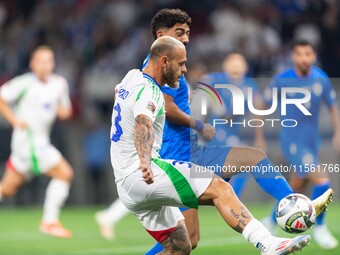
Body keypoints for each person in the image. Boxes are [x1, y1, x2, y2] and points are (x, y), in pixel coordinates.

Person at [95, 10, 333, 251]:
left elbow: (131, 96)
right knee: (223, 185)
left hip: (170, 160)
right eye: (180, 33)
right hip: (170, 158)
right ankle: (270, 237)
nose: (186, 39)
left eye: (187, 33)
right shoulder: (154, 79)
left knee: (184, 243)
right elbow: (153, 115)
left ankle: (292, 204)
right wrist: (196, 126)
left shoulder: (133, 76)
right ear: (161, 38)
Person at [262, 40, 339, 250]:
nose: (303, 58)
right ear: (293, 57)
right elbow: (261, 104)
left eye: (307, 53)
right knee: (322, 179)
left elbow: (334, 106)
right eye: (299, 54)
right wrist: (260, 136)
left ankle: (270, 221)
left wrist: (337, 132)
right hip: (292, 140)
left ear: (313, 56)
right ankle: (320, 228)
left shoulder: (321, 79)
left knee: (298, 185)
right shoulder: (282, 80)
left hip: (311, 141)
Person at [0, 46, 73, 238]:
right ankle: (49, 222)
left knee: (7, 189)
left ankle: (49, 222)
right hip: (28, 142)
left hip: (37, 142)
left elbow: (66, 110)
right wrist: (14, 120)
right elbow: (1, 97)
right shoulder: (24, 83)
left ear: (53, 64)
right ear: (32, 64)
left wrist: (63, 112)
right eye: (40, 61)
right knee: (64, 174)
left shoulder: (59, 84)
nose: (44, 66)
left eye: (48, 61)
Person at [196, 52, 266, 197]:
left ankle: (228, 198)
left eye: (239, 61)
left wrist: (259, 137)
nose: (236, 64)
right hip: (215, 131)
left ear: (246, 66)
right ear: (225, 66)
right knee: (246, 159)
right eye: (232, 61)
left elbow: (258, 108)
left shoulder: (250, 86)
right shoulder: (215, 79)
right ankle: (231, 199)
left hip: (232, 133)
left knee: (237, 166)